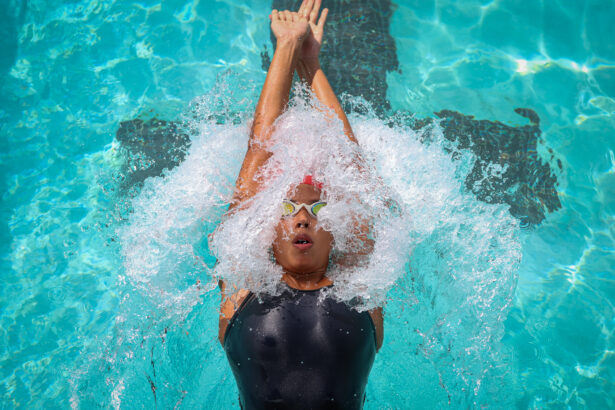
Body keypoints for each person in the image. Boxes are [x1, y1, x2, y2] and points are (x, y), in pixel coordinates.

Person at [217, 1, 383, 408]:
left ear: (338, 230)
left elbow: (350, 165)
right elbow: (259, 146)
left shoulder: (359, 288)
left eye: (318, 209)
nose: (303, 218)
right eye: (287, 210)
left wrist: (310, 63)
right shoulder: (243, 287)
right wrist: (287, 49)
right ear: (267, 232)